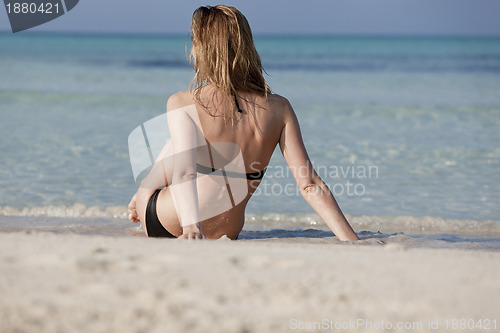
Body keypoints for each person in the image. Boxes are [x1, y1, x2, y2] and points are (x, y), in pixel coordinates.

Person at [128, 5, 359, 241]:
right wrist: (351, 239)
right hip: (227, 229)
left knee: (180, 142)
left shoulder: (183, 101)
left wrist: (191, 228)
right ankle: (143, 192)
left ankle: (142, 193)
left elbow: (185, 171)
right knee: (185, 141)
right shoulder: (280, 108)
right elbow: (310, 184)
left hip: (169, 221)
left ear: (203, 49)